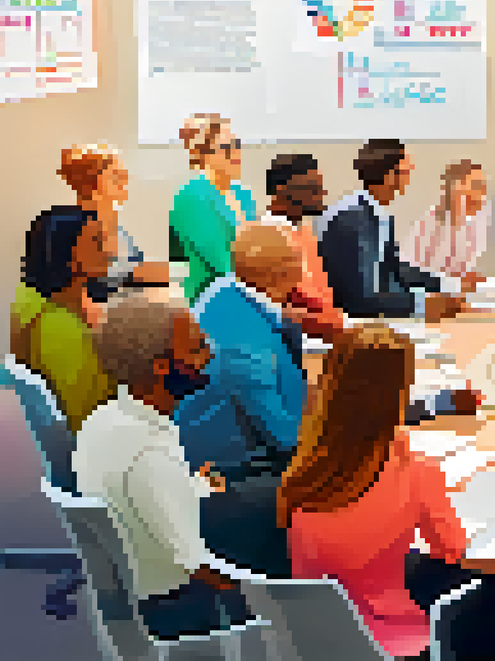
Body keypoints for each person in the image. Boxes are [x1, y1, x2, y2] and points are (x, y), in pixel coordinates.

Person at [282, 325, 475, 660]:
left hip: (316, 638)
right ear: (398, 395)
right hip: (393, 641)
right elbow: (453, 550)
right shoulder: (416, 473)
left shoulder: (304, 471)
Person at [76, 293, 256, 641]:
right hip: (174, 607)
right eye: (197, 348)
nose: (209, 355)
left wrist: (192, 488)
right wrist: (277, 595)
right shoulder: (150, 451)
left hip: (133, 588)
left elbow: (142, 500)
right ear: (161, 366)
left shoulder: (103, 420)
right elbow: (198, 566)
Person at [176, 224, 308, 577]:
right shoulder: (246, 347)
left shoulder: (223, 291)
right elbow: (286, 440)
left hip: (212, 461)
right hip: (237, 480)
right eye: (299, 257)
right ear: (285, 272)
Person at [318, 140, 465, 320]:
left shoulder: (379, 214)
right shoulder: (350, 219)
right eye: (406, 171)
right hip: (355, 321)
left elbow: (393, 269)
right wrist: (420, 305)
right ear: (390, 176)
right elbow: (358, 297)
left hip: (378, 315)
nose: (409, 176)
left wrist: (447, 285)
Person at [11, 205, 116, 433]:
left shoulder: (34, 299)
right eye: (96, 243)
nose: (108, 252)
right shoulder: (59, 330)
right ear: (66, 253)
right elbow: (90, 415)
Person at [59, 143, 169, 301]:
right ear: (92, 183)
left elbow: (134, 271)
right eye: (116, 175)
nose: (126, 179)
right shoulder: (74, 227)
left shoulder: (116, 229)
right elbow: (107, 278)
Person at [169, 113, 259, 304]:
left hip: (248, 295)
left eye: (237, 145)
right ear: (203, 154)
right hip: (211, 300)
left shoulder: (244, 195)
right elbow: (217, 259)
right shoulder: (192, 194)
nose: (234, 152)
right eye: (226, 147)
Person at [260, 154, 345, 342]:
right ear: (281, 191)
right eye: (312, 188)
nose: (321, 194)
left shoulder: (304, 232)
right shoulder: (265, 238)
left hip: (327, 335)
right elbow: (294, 310)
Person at [404, 159, 493, 289]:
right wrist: (456, 218)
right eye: (476, 185)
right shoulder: (430, 223)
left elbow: (466, 267)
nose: (482, 193)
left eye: (483, 186)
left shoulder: (481, 216)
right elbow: (421, 270)